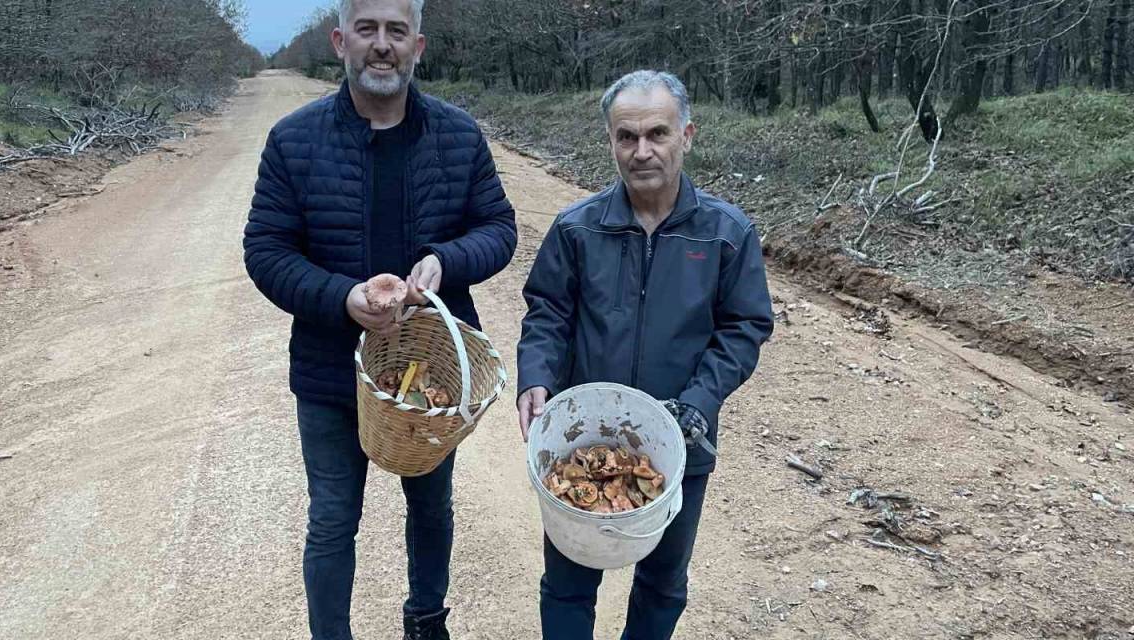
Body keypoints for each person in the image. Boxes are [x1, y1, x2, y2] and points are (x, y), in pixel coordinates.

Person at [241, 0, 517, 637]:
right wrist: (342, 298)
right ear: (341, 41)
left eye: (398, 31)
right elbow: (266, 250)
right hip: (331, 371)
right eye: (368, 29)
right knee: (334, 518)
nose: (382, 45)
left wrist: (444, 263)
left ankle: (426, 620)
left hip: (434, 377)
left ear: (419, 46)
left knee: (432, 509)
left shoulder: (458, 135)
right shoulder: (294, 140)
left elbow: (499, 228)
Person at [515, 70, 773, 640]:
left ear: (687, 135)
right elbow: (547, 316)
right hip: (584, 442)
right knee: (567, 584)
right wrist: (535, 377)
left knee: (662, 583)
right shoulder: (576, 229)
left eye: (657, 133)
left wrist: (698, 404)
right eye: (626, 137)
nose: (642, 151)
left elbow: (745, 326)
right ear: (610, 142)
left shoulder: (726, 234)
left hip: (682, 442)